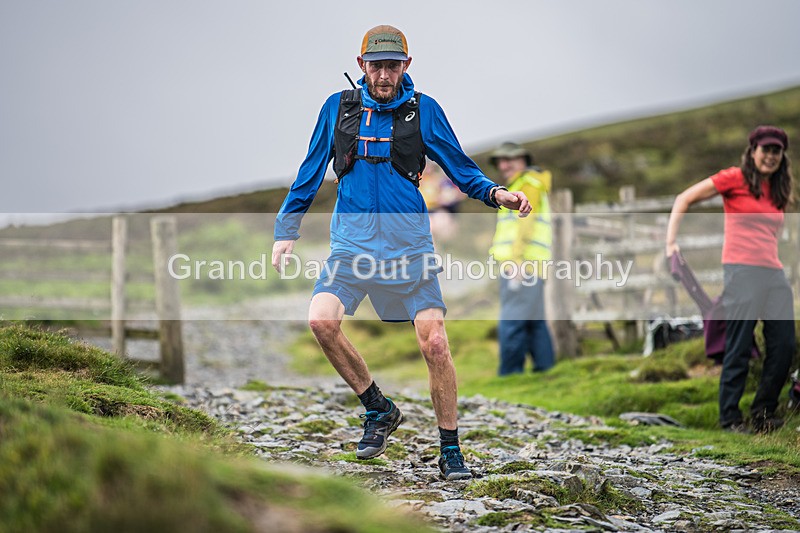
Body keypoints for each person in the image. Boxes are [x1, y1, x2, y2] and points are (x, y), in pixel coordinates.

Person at [271, 25, 532, 480]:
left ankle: (450, 449)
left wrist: (496, 194)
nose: (384, 75)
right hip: (352, 246)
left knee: (435, 343)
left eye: (393, 66)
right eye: (376, 66)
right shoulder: (337, 108)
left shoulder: (424, 110)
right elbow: (310, 171)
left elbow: (461, 168)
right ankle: (378, 409)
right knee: (321, 321)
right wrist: (286, 228)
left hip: (410, 247)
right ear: (362, 65)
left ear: (406, 66)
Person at [665, 125, 796, 434]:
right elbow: (684, 198)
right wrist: (671, 243)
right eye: (765, 149)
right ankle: (730, 419)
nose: (770, 156)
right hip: (741, 271)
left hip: (773, 272)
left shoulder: (779, 189)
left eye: (776, 151)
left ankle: (763, 412)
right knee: (738, 344)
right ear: (753, 151)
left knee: (784, 344)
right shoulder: (734, 178)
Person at [488, 142, 556, 375]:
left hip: (521, 265)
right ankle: (545, 370)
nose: (503, 166)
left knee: (512, 322)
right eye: (500, 162)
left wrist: (516, 261)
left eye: (509, 160)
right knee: (534, 321)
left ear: (523, 161)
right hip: (533, 265)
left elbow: (526, 224)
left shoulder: (527, 185)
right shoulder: (525, 184)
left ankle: (509, 374)